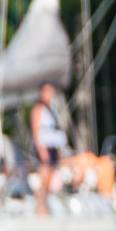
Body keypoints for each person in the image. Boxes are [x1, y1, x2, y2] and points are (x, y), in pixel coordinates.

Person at [30, 82, 70, 215]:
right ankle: (40, 209)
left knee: (51, 181)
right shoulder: (38, 109)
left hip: (53, 148)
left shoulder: (51, 109)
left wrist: (58, 151)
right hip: (44, 149)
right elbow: (36, 131)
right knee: (44, 180)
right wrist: (42, 150)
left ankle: (46, 208)